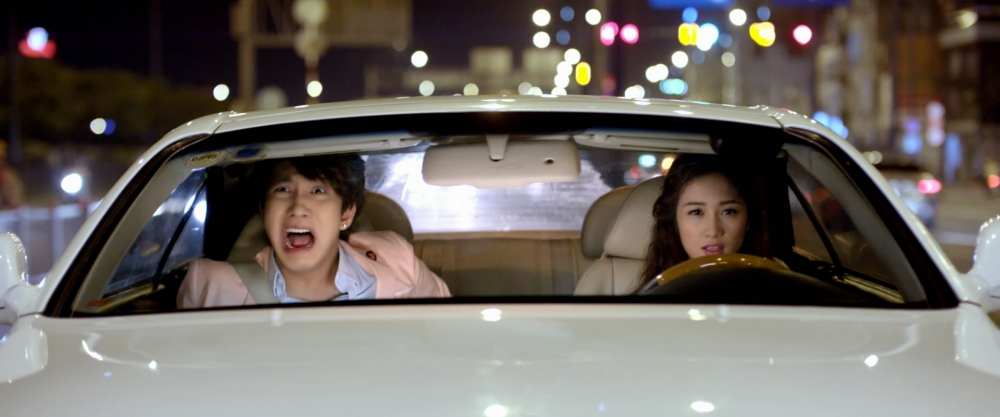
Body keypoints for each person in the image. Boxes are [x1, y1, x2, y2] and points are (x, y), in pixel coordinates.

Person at [177, 153, 450, 309]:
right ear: (263, 210)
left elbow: (446, 334)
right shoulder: (209, 285)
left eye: (318, 190)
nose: (298, 206)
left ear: (346, 213)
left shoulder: (397, 260)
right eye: (283, 189)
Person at [637, 154, 772, 290]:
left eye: (728, 212)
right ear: (675, 221)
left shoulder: (775, 286)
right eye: (696, 212)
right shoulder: (654, 294)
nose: (713, 231)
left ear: (749, 220)